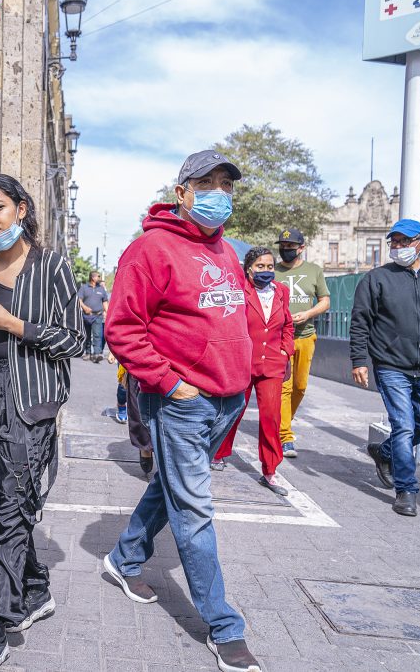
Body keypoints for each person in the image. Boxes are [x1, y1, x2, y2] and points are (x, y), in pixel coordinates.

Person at [103, 150, 261, 672]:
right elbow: (122, 328)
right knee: (194, 510)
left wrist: (247, 375)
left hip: (227, 398)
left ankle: (125, 557)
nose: (219, 193)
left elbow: (235, 318)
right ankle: (224, 626)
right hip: (182, 402)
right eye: (207, 183)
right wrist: (171, 383)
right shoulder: (149, 249)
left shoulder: (227, 251)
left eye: (226, 185)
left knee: (171, 486)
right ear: (182, 193)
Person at [0, 174, 84, 671]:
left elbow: (77, 341)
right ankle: (35, 589)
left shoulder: (52, 266)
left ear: (21, 210)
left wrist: (18, 326)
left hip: (27, 400)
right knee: (0, 502)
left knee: (11, 508)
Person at [351, 219, 420, 517]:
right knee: (404, 426)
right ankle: (406, 489)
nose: (397, 246)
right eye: (393, 241)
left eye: (404, 241)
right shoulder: (376, 279)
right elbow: (360, 321)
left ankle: (384, 451)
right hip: (391, 365)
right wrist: (359, 361)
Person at [210, 247, 294, 496]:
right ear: (248, 269)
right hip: (243, 363)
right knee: (234, 411)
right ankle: (218, 452)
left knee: (271, 417)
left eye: (270, 266)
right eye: (260, 266)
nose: (266, 271)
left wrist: (285, 350)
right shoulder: (239, 290)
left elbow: (288, 325)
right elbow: (228, 322)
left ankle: (270, 469)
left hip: (272, 365)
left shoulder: (282, 292)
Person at [273, 227, 330, 458]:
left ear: (301, 248)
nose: (286, 249)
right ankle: (285, 436)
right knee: (284, 388)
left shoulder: (314, 271)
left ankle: (284, 420)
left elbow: (325, 301)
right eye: (283, 246)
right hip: (279, 339)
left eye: (290, 246)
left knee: (300, 386)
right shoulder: (272, 271)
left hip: (306, 336)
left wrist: (308, 314)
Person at [79, 270, 109, 362]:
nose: (99, 278)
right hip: (86, 316)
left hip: (98, 316)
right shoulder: (84, 288)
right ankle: (88, 353)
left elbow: (105, 301)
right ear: (92, 277)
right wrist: (85, 307)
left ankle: (97, 354)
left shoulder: (101, 289)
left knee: (97, 335)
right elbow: (79, 300)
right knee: (87, 335)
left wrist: (108, 313)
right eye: (98, 276)